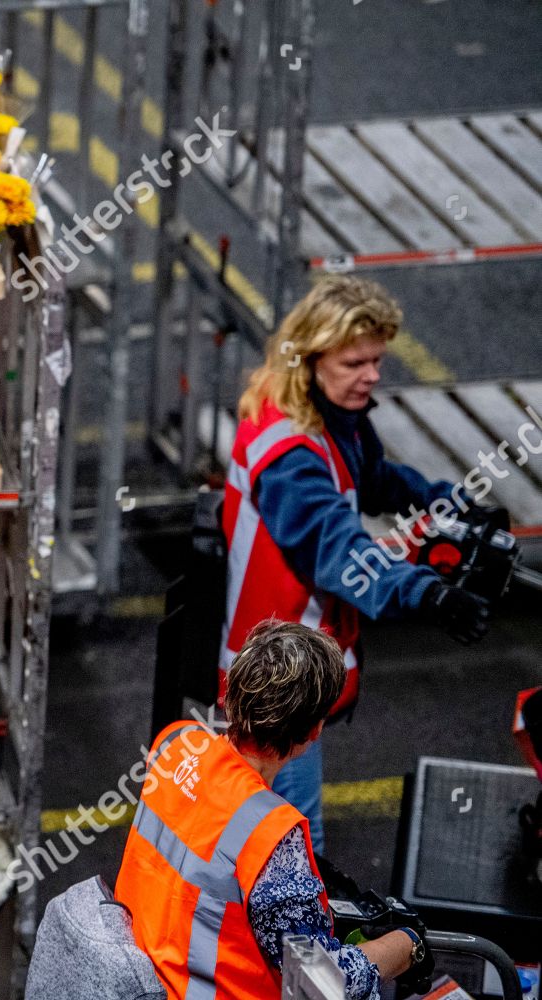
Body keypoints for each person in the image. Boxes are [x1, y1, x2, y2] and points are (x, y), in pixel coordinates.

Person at [223, 274, 501, 851]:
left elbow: (373, 478)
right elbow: (340, 551)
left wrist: (453, 506)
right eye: (355, 363)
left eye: (376, 360)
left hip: (282, 658)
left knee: (271, 845)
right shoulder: (291, 456)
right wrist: (429, 593)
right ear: (314, 355)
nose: (372, 376)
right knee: (293, 851)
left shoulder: (317, 413)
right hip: (278, 679)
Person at [117, 621, 426, 999]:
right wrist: (408, 946)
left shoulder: (176, 742)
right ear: (313, 731)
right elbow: (321, 987)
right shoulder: (270, 835)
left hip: (141, 980)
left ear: (232, 693)